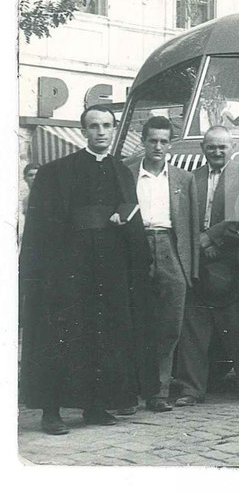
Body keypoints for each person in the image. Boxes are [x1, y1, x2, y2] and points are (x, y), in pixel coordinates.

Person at [19, 105, 151, 435]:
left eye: (107, 126)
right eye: (94, 126)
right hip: (70, 270)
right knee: (61, 336)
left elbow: (132, 217)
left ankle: (95, 406)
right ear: (84, 132)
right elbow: (43, 226)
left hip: (109, 269)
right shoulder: (57, 171)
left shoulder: (122, 171)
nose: (101, 132)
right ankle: (51, 411)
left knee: (102, 336)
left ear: (114, 129)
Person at [174, 126, 239, 407]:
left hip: (231, 260)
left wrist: (211, 239)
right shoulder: (190, 178)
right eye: (211, 147)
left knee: (237, 328)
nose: (217, 152)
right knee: (193, 327)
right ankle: (191, 389)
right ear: (203, 148)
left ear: (233, 147)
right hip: (197, 261)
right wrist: (198, 246)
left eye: (222, 147)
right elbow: (182, 218)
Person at [127, 116, 199, 412]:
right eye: (152, 140)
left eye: (164, 141)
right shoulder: (126, 173)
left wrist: (190, 268)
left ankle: (159, 392)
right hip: (136, 246)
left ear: (171, 144)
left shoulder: (183, 178)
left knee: (170, 325)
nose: (158, 146)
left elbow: (192, 227)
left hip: (171, 248)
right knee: (133, 321)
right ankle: (128, 393)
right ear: (143, 141)